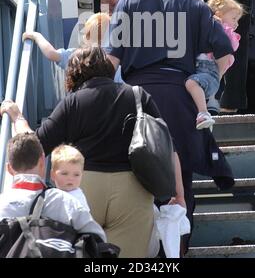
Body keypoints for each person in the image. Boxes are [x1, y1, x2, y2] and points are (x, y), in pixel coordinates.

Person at [105, 0, 235, 252]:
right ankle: (177, 250)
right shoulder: (196, 7)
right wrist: (207, 82)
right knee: (182, 174)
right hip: (181, 97)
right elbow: (226, 55)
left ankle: (143, 252)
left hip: (136, 98)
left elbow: (111, 60)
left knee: (137, 170)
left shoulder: (129, 3)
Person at [1, 46, 184, 258]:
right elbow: (168, 149)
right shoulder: (137, 95)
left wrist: (17, 118)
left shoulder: (72, 103)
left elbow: (37, 146)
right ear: (108, 67)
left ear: (73, 73)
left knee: (83, 253)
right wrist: (178, 194)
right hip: (133, 189)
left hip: (82, 187)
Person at [0, 132, 106, 242]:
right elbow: (97, 239)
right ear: (42, 162)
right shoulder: (67, 203)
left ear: (9, 168)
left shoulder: (2, 204)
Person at [186, 0, 243, 130]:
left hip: (209, 71)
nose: (236, 24)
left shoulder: (229, 34)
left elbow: (231, 45)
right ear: (219, 14)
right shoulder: (208, 25)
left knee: (191, 83)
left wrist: (220, 26)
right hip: (197, 67)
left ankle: (204, 113)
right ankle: (202, 120)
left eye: (237, 20)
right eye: (234, 18)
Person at [23, 12, 110, 70]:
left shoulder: (77, 56)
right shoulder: (113, 62)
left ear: (87, 35)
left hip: (79, 97)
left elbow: (51, 54)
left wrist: (36, 36)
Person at [51, 144, 89, 209]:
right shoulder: (50, 195)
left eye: (76, 175)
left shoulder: (77, 198)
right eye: (65, 173)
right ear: (53, 175)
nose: (70, 178)